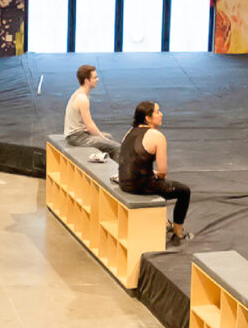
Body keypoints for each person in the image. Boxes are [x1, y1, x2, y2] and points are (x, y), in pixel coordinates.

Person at [116, 101, 190, 244]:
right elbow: (162, 172)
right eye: (157, 112)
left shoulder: (129, 132)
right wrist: (157, 174)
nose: (161, 114)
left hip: (124, 182)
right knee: (184, 191)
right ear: (147, 118)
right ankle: (178, 232)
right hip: (140, 186)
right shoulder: (156, 136)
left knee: (156, 181)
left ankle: (164, 221)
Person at [64, 65, 119, 158]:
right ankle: (117, 172)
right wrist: (103, 138)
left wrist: (105, 138)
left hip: (78, 134)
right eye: (95, 77)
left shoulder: (80, 93)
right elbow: (89, 126)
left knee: (109, 137)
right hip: (77, 137)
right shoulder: (82, 98)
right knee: (116, 147)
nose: (97, 79)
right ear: (86, 80)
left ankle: (104, 163)